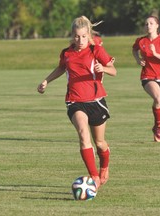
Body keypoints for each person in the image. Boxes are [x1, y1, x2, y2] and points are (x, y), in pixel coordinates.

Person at [37, 16, 117, 189]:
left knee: (100, 143)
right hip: (75, 101)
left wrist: (103, 68)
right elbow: (61, 68)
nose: (79, 40)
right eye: (76, 36)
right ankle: (94, 177)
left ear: (88, 34)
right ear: (72, 36)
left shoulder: (96, 50)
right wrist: (46, 81)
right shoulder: (67, 53)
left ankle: (104, 166)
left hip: (96, 101)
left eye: (82, 36)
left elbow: (114, 70)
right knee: (83, 134)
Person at [132, 16, 160, 142]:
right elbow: (134, 50)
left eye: (151, 23)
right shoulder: (141, 41)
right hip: (148, 76)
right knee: (158, 98)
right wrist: (138, 59)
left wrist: (155, 54)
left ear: (157, 26)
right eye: (146, 24)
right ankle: (159, 128)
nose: (148, 25)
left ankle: (157, 126)